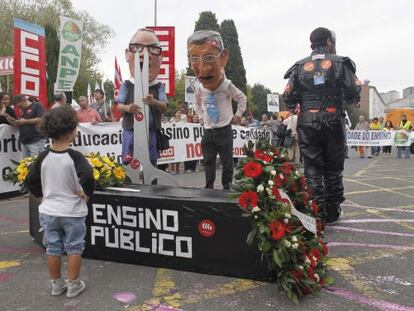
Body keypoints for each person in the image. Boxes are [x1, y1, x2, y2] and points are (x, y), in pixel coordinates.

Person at [283, 27, 361, 224]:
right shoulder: (341, 63)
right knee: (333, 170)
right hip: (334, 118)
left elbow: (288, 96)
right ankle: (332, 212)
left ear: (312, 43)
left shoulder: (298, 67)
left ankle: (316, 212)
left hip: (308, 120)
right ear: (328, 42)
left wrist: (301, 104)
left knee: (312, 168)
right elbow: (354, 90)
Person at [25, 106, 96, 298]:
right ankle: (73, 284)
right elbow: (88, 177)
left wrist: (41, 198)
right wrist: (86, 195)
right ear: (71, 130)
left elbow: (30, 181)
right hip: (72, 211)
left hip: (49, 211)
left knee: (53, 248)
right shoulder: (74, 156)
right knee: (74, 247)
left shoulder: (43, 157)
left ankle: (56, 284)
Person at [188, 30, 246, 190]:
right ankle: (209, 187)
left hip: (224, 129)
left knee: (227, 161)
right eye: (195, 59)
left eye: (208, 58)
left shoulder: (227, 85)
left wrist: (238, 115)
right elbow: (197, 103)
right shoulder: (200, 88)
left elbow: (242, 98)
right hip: (208, 130)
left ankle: (227, 187)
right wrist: (200, 116)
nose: (203, 68)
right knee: (208, 160)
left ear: (222, 59)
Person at [115, 28, 167, 166]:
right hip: (130, 130)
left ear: (161, 58)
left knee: (151, 161)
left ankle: (152, 185)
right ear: (127, 54)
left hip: (151, 132)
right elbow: (119, 106)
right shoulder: (127, 85)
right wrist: (128, 108)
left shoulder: (159, 86)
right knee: (128, 160)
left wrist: (154, 102)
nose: (145, 54)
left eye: (153, 49)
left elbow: (164, 106)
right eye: (137, 48)